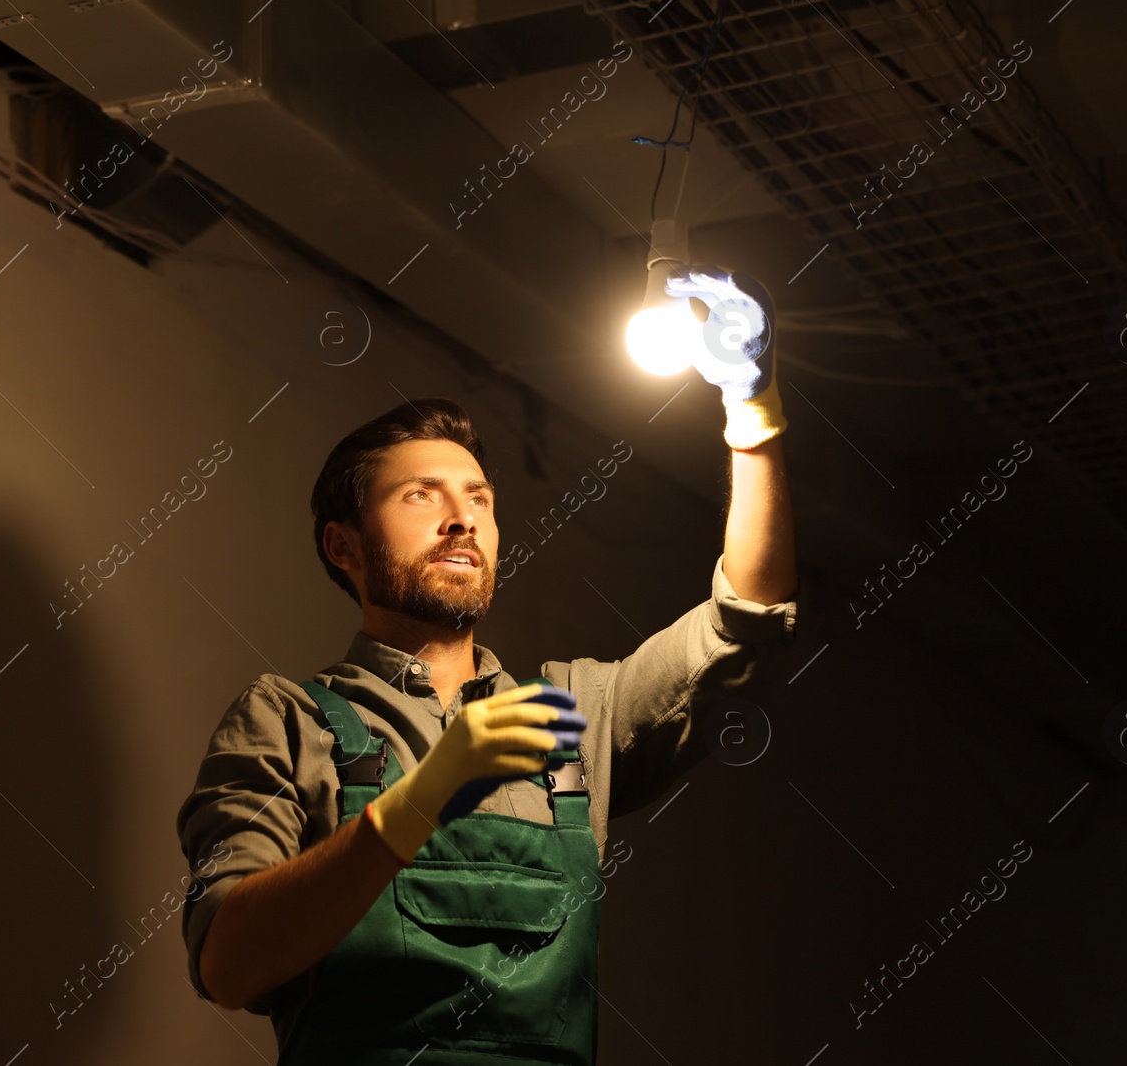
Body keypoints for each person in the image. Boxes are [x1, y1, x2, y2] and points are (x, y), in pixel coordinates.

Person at [175, 266, 800, 1064]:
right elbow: (228, 961)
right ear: (345, 548)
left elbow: (749, 619)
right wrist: (423, 796)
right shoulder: (286, 720)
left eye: (479, 496)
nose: (462, 517)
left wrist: (755, 414)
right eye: (420, 496)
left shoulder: (575, 715)